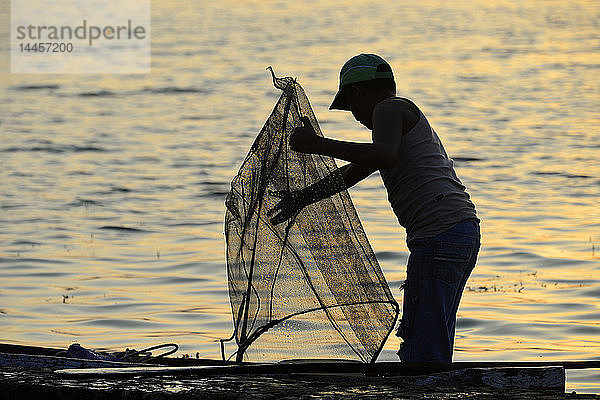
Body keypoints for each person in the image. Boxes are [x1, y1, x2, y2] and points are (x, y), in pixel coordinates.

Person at [268, 53, 480, 363]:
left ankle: (426, 388)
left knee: (423, 341)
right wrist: (301, 198)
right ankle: (435, 383)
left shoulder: (389, 108)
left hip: (441, 235)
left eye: (351, 107)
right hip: (459, 232)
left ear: (359, 93)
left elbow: (383, 156)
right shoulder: (392, 127)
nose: (355, 115)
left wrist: (318, 145)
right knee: (431, 332)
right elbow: (350, 174)